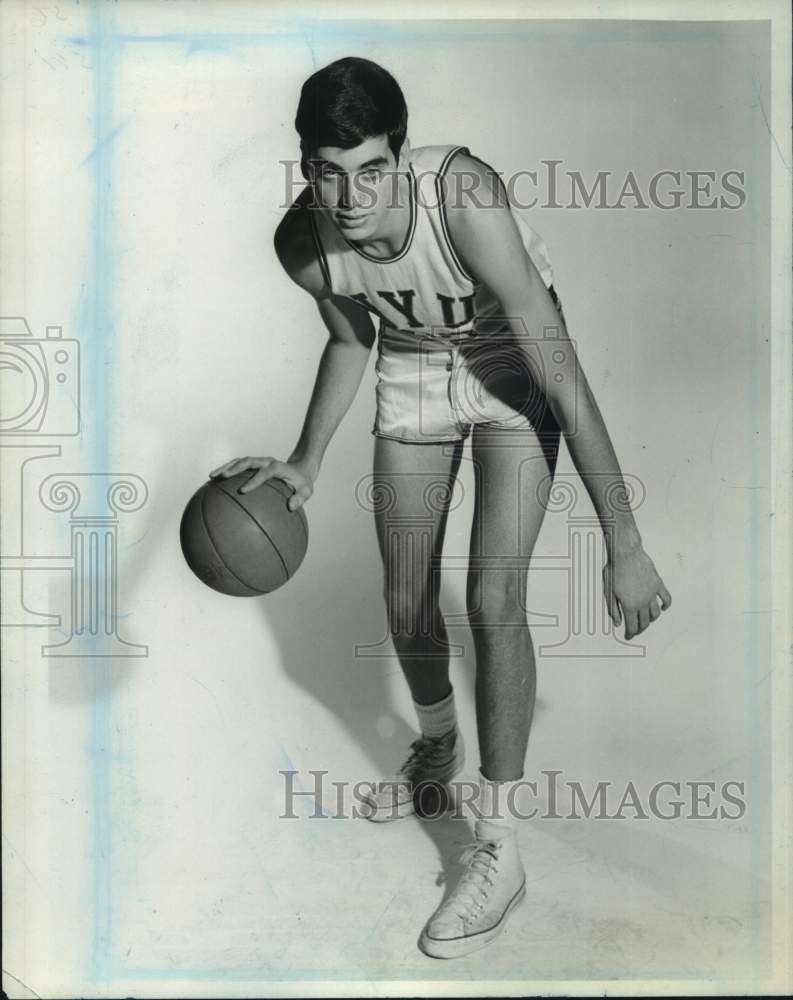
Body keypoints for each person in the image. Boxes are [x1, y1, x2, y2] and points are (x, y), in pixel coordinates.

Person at [209, 56, 672, 959]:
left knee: (493, 599)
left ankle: (496, 850)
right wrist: (305, 461)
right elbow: (353, 336)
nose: (349, 196)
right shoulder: (301, 243)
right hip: (417, 368)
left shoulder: (464, 198)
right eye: (328, 173)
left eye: (372, 170)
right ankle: (435, 748)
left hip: (511, 360)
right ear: (305, 164)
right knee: (405, 597)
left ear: (403, 155)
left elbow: (561, 375)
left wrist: (623, 540)